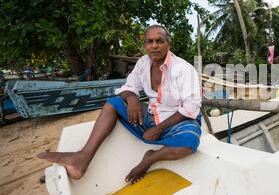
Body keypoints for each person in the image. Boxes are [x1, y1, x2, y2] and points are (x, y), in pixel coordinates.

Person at [38, 25, 202, 184]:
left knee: (189, 142)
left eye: (159, 41)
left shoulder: (183, 69)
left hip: (178, 120)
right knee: (113, 103)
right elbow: (128, 87)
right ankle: (82, 158)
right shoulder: (143, 63)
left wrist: (158, 129)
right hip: (152, 115)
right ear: (145, 45)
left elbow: (191, 106)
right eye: (149, 42)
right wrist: (132, 99)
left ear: (168, 44)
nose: (154, 46)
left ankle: (150, 157)